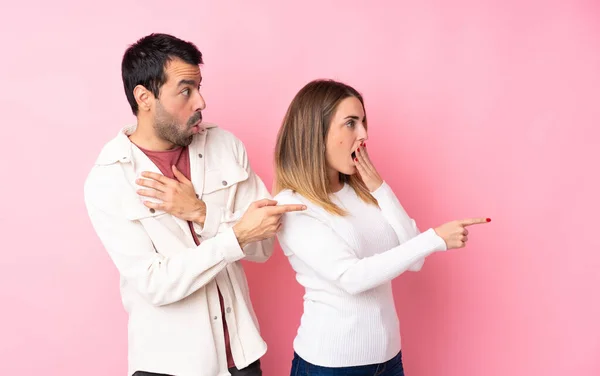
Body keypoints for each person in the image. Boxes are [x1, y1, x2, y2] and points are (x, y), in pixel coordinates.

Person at [83, 33, 305, 376]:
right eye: (185, 90)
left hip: (243, 359)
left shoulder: (225, 146)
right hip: (169, 365)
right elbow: (156, 284)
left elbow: (261, 247)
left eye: (199, 87)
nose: (200, 101)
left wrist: (202, 213)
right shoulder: (110, 179)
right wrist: (235, 235)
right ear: (144, 97)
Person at [273, 79, 490, 375]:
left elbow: (414, 261)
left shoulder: (363, 193)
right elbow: (351, 277)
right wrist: (435, 238)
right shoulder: (292, 206)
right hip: (331, 366)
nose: (363, 134)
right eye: (351, 123)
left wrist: (380, 188)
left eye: (363, 122)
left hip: (388, 360)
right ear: (316, 133)